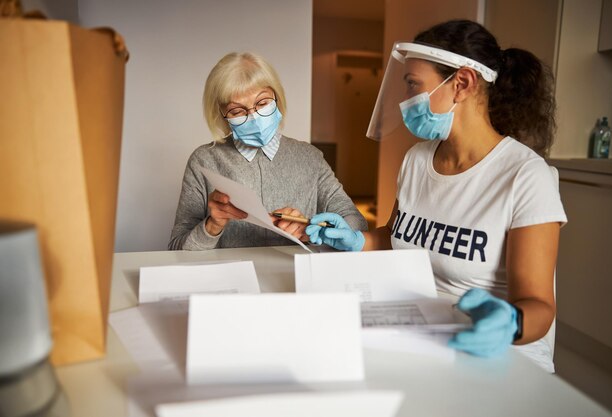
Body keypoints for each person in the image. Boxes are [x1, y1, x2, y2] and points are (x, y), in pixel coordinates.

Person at [306, 20, 567, 372]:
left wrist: (512, 323)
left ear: (461, 83)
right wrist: (356, 240)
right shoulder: (417, 159)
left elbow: (538, 307)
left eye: (414, 85)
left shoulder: (525, 176)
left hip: (492, 350)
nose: (405, 101)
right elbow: (395, 238)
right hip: (417, 333)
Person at [169, 52, 366, 250]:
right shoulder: (204, 160)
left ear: (277, 98)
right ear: (222, 116)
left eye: (262, 103)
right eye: (237, 111)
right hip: (231, 279)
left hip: (295, 276)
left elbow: (356, 224)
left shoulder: (310, 157)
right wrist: (212, 225)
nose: (254, 117)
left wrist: (311, 229)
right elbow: (177, 248)